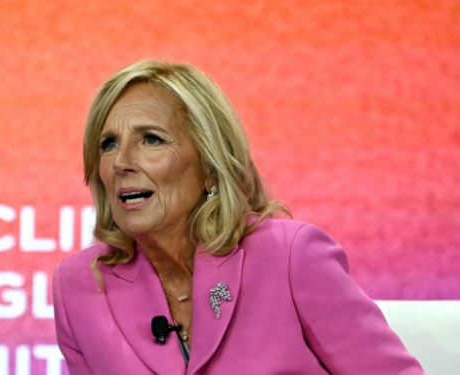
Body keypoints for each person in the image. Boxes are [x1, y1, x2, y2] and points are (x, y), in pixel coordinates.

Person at [52, 60, 425, 374]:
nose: (120, 163)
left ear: (210, 163)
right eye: (108, 144)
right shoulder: (81, 286)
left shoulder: (291, 257)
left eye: (151, 139)